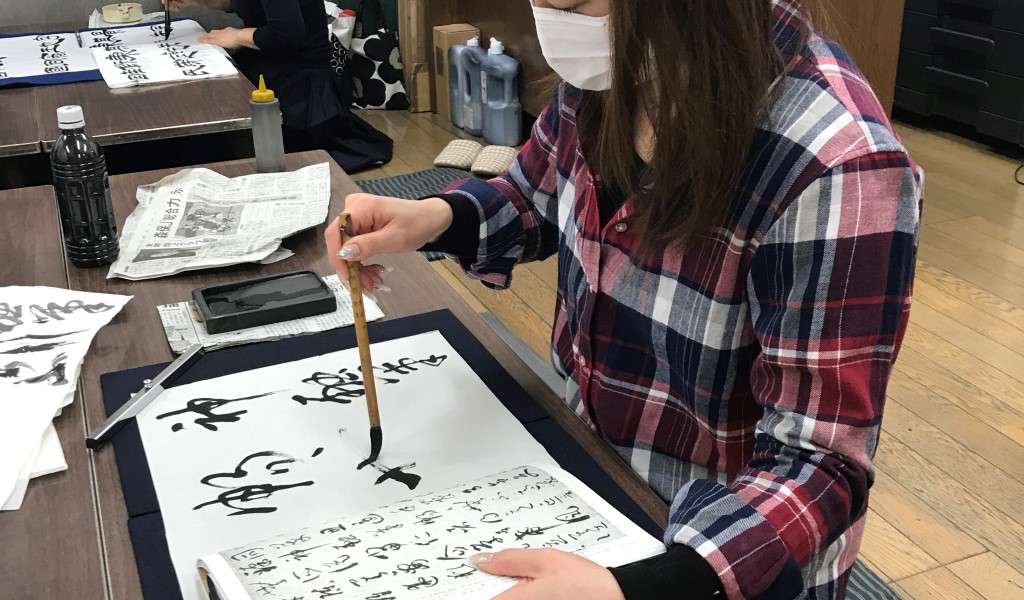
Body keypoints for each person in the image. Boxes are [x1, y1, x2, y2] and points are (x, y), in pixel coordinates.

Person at [326, 0, 923, 598]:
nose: (553, 23)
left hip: (719, 559)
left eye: (571, 5)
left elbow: (821, 464)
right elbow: (534, 197)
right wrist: (435, 217)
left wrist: (642, 588)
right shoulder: (615, 66)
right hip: (588, 475)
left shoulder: (839, 163)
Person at [162, 0, 393, 172]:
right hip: (270, 61)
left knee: (204, 142)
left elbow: (287, 33)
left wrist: (239, 36)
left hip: (300, 83)